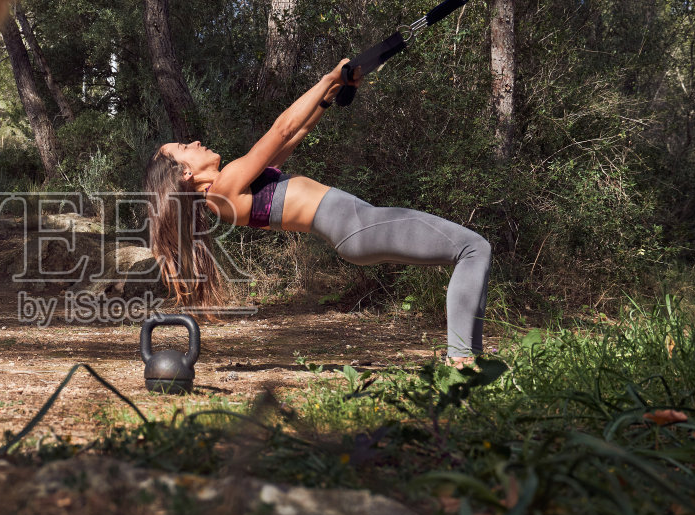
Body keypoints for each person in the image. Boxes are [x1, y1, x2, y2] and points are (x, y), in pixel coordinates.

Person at [143, 59, 491, 363]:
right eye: (185, 147)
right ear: (185, 173)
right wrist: (327, 78)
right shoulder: (222, 191)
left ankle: (467, 359)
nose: (195, 142)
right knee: (473, 249)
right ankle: (461, 359)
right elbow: (283, 128)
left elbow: (297, 133)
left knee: (471, 250)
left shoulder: (234, 186)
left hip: (358, 227)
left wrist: (330, 93)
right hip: (357, 227)